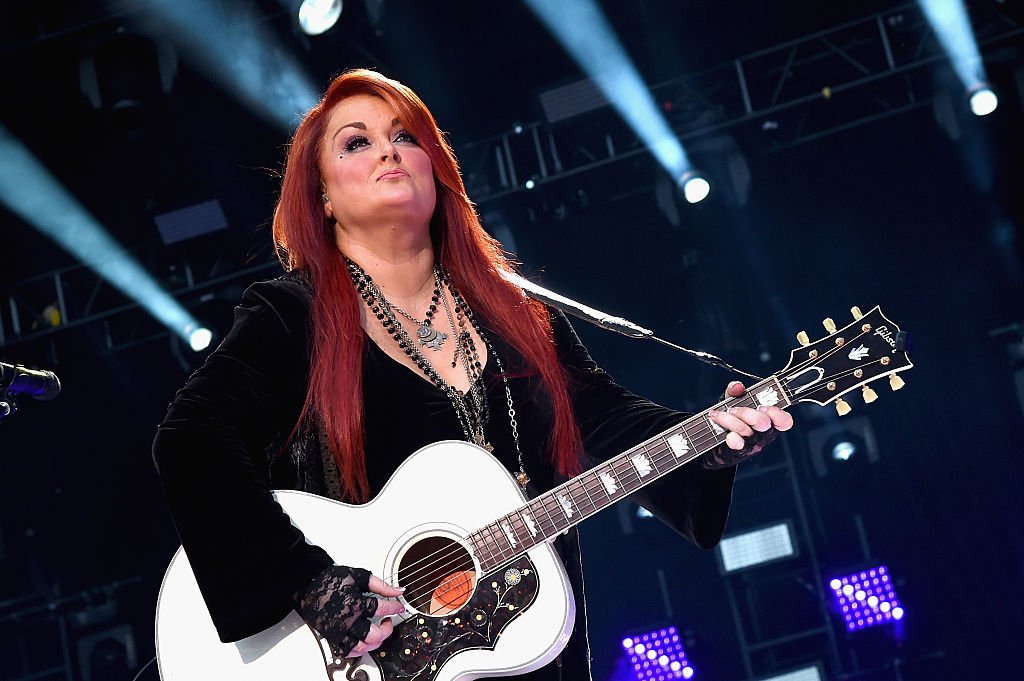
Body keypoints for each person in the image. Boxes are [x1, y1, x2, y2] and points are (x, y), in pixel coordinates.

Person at [152, 68, 793, 681]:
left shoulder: (518, 314)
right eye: (357, 142)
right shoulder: (291, 316)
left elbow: (603, 419)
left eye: (406, 136)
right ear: (320, 195)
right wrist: (309, 581)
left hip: (524, 650)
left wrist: (711, 440)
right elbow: (190, 441)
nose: (389, 151)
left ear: (437, 168)